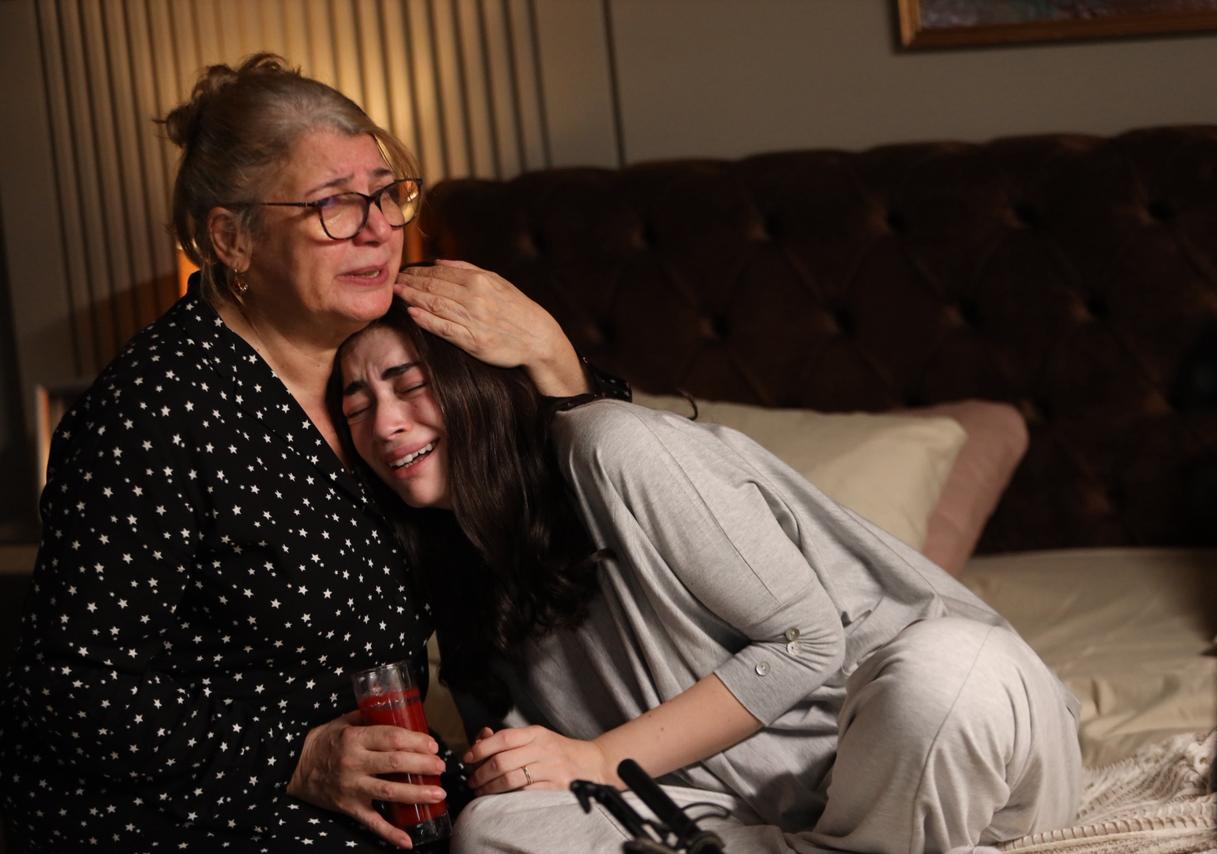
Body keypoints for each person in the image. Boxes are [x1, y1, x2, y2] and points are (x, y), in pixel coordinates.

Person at [0, 53, 607, 852]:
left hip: (401, 785)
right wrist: (295, 757)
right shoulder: (153, 410)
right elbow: (67, 689)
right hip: (195, 810)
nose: (379, 228)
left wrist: (550, 349)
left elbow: (598, 477)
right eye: (334, 205)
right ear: (232, 238)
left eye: (386, 194)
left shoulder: (401, 337)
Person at [331, 300, 1085, 854]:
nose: (385, 424)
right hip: (746, 812)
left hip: (932, 754)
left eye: (409, 383)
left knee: (946, 673)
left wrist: (598, 758)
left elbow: (806, 642)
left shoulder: (608, 444)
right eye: (356, 405)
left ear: (472, 379)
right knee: (495, 831)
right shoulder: (442, 570)